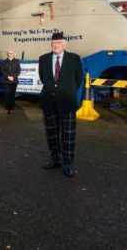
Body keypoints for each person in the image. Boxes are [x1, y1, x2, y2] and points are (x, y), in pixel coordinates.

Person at [38, 31, 83, 177]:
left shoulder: (74, 58)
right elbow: (44, 78)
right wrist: (54, 90)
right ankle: (55, 158)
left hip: (67, 101)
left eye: (58, 43)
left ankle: (68, 162)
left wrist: (67, 91)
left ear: (64, 44)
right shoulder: (43, 59)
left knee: (68, 135)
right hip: (48, 101)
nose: (56, 45)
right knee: (51, 133)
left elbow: (78, 79)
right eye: (53, 43)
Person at [1, 49, 21, 114]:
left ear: (14, 54)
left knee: (12, 95)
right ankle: (7, 108)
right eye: (9, 53)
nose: (10, 54)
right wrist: (8, 76)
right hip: (6, 81)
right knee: (7, 95)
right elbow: (2, 70)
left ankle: (11, 108)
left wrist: (13, 77)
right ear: (7, 54)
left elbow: (18, 70)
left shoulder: (17, 61)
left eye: (11, 53)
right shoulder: (4, 62)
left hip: (14, 81)